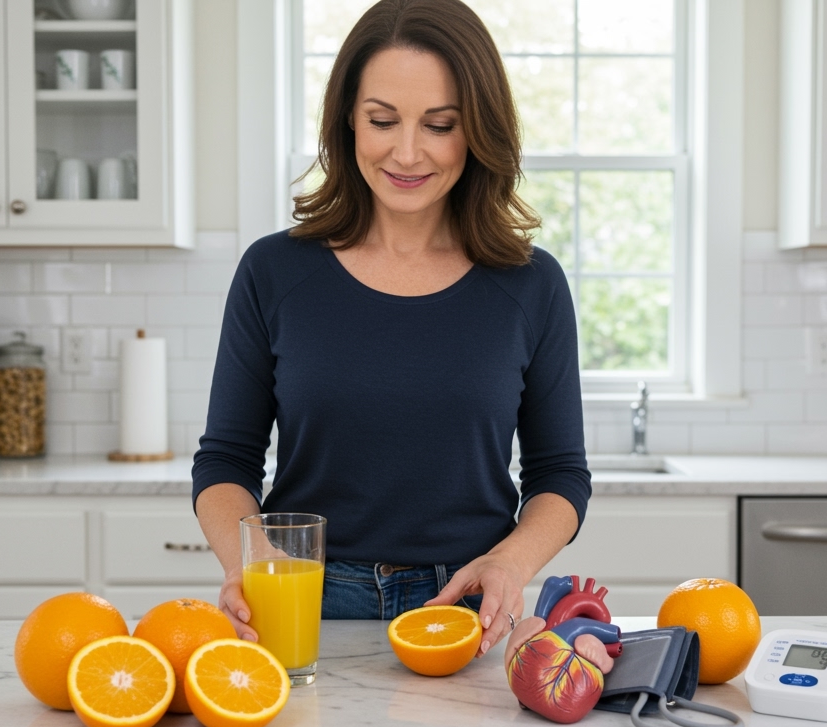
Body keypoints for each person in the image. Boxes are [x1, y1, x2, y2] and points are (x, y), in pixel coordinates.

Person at [191, 0, 590, 658]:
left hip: (467, 609)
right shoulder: (274, 271)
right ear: (348, 118)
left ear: (477, 131)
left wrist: (511, 565)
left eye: (439, 125)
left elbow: (559, 474)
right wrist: (250, 558)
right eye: (383, 120)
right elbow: (226, 460)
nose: (407, 152)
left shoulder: (530, 283)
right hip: (304, 606)